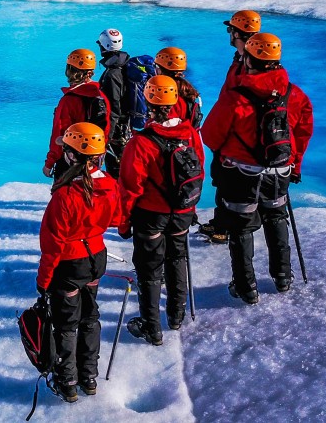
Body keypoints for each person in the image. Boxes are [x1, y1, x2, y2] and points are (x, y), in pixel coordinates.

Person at [201, 32, 313, 304]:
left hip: (240, 174)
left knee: (241, 228)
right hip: (280, 171)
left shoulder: (236, 97)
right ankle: (283, 277)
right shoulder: (294, 94)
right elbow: (302, 132)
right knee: (276, 219)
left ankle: (246, 287)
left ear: (249, 60)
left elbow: (210, 136)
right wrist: (294, 165)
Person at [36, 122, 120, 402]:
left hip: (70, 264)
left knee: (67, 324)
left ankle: (68, 383)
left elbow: (52, 246)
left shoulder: (64, 195)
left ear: (71, 156)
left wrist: (43, 281)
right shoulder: (109, 184)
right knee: (90, 316)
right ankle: (90, 378)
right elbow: (117, 218)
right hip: (97, 258)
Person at [118, 76, 205, 345]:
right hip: (182, 211)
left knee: (149, 270)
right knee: (177, 259)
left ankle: (151, 327)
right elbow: (198, 166)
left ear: (148, 104)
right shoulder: (190, 133)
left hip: (150, 215)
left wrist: (124, 223)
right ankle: (176, 316)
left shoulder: (140, 143)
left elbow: (129, 188)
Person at [199, 10, 263, 244]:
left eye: (230, 29)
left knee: (228, 182)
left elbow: (239, 103)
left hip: (236, 137)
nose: (228, 33)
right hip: (233, 133)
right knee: (223, 181)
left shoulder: (249, 63)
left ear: (237, 32)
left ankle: (226, 227)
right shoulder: (242, 59)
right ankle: (222, 223)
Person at [43, 49, 113, 182]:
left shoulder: (68, 100)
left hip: (70, 160)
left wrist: (49, 163)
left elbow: (59, 132)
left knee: (65, 197)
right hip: (93, 158)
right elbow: (106, 128)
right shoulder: (101, 95)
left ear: (69, 70)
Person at [96, 28, 130, 179]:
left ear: (104, 47)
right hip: (127, 128)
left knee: (116, 173)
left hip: (118, 132)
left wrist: (106, 137)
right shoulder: (126, 64)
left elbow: (114, 108)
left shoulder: (112, 74)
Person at [153, 46, 203, 128]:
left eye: (156, 66)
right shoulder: (187, 88)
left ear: (161, 69)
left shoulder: (165, 94)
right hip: (188, 136)